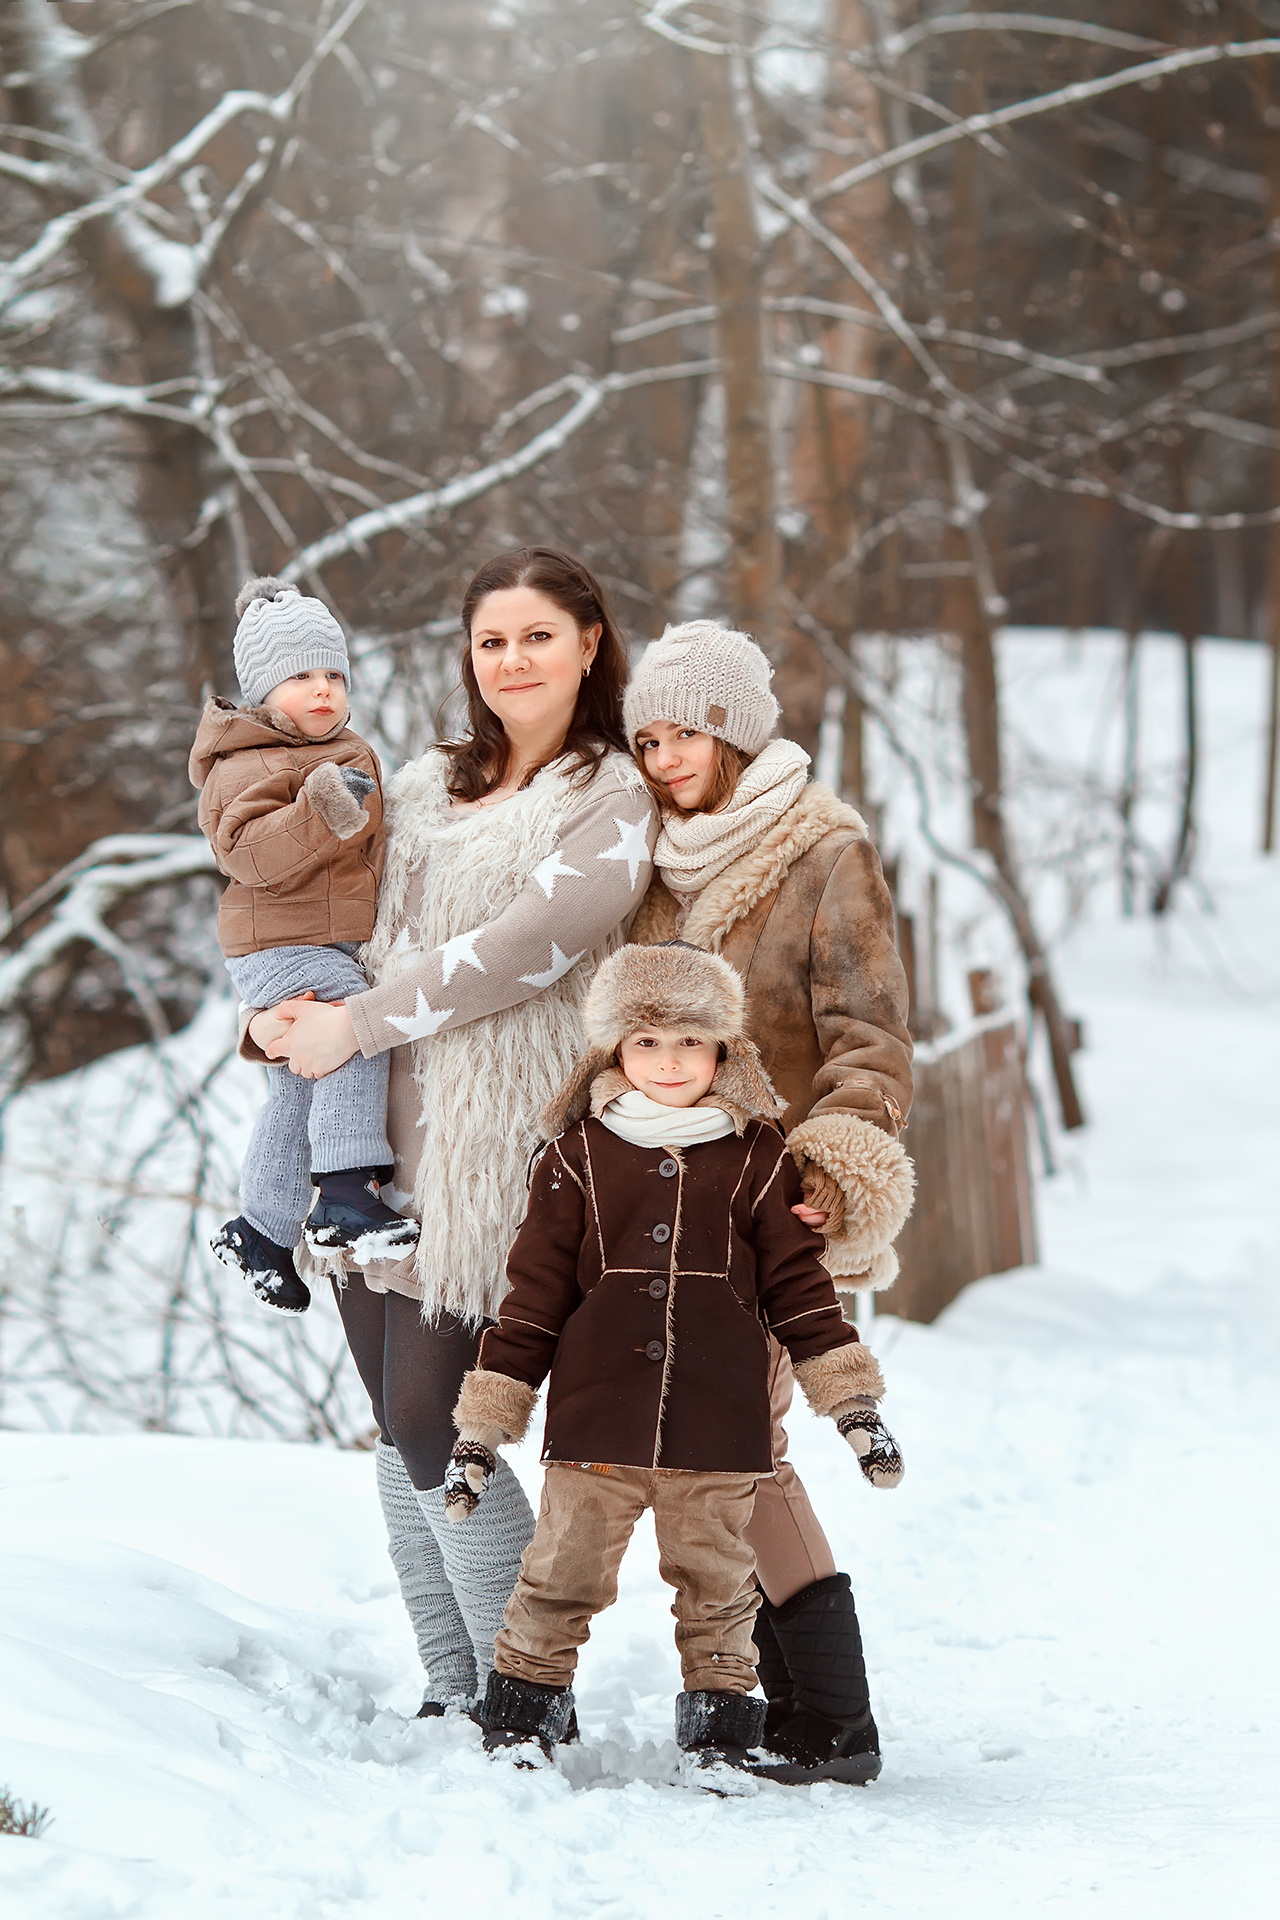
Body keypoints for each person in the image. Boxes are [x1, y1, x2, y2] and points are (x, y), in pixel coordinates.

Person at [242, 549, 659, 1714]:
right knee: (392, 1422)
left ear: (588, 644)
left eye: (536, 636)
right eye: (490, 641)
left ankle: (526, 1688)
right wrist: (276, 1015)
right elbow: (319, 910)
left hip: (485, 1145)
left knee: (442, 1419)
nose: (511, 660)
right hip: (359, 1134)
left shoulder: (610, 797)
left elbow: (529, 946)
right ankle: (451, 1681)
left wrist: (355, 1021)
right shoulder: (422, 780)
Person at [443, 941, 903, 1780]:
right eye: (646, 1041)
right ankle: (520, 1722)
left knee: (719, 1593)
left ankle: (718, 1740)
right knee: (559, 1580)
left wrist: (853, 1406)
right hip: (595, 1425)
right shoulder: (574, 1156)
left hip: (717, 1427)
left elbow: (802, 1293)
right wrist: (484, 1426)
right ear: (614, 1050)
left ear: (724, 1051)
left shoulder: (760, 1157)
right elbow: (532, 1300)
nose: (668, 1060)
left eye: (691, 1040)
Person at [622, 619, 915, 1781]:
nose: (663, 760)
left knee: (736, 1447)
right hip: (665, 1206)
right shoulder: (647, 862)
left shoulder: (821, 852)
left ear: (735, 733)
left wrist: (832, 1168)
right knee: (717, 1449)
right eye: (646, 740)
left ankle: (832, 1718)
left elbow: (869, 1038)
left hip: (776, 1208)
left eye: (684, 734)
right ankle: (803, 1711)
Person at [193, 577, 417, 1315]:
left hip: (312, 941)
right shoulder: (244, 762)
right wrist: (320, 809)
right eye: (300, 677)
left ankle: (263, 1228)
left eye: (333, 675)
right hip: (280, 942)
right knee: (352, 1021)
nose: (322, 689)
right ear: (262, 692)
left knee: (299, 1082)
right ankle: (347, 1188)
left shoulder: (337, 748)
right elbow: (249, 854)